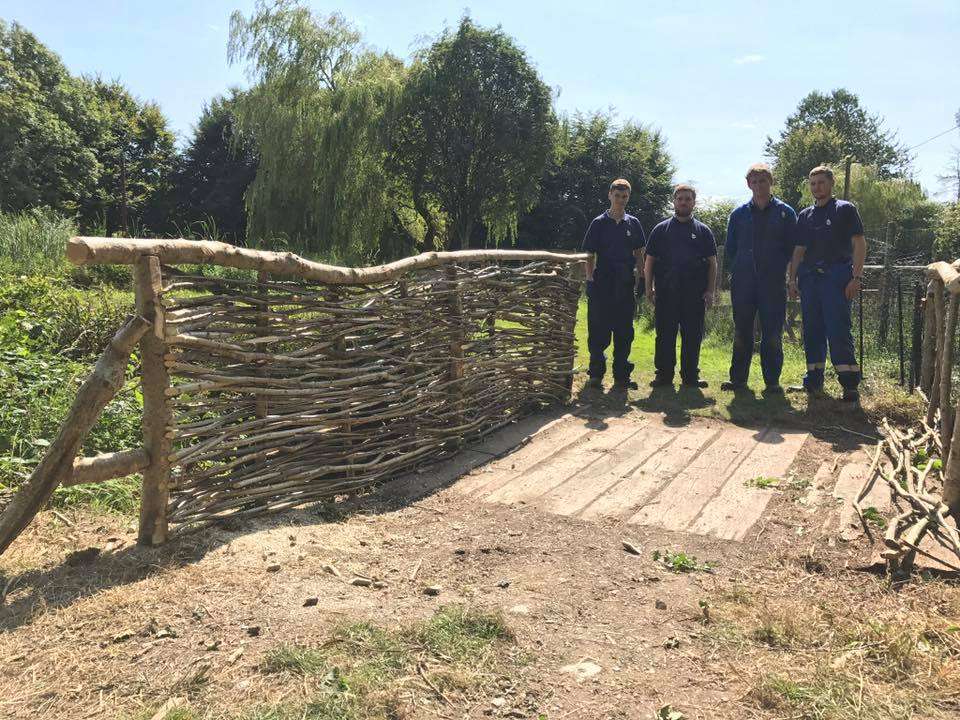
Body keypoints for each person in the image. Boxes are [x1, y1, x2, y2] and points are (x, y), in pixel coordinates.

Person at [787, 165, 867, 402]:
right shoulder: (805, 215)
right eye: (813, 183)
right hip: (810, 279)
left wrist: (856, 277)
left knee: (838, 330)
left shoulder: (845, 209)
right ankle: (813, 381)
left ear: (831, 184)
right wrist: (792, 279)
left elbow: (859, 244)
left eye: (821, 182)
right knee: (811, 330)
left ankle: (849, 385)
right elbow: (799, 250)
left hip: (837, 277)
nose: (817, 187)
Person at [720, 163, 798, 394]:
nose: (758, 185)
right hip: (743, 283)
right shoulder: (738, 214)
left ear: (771, 182)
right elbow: (731, 248)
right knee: (742, 332)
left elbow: (793, 249)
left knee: (772, 334)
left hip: (773, 283)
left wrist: (789, 277)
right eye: (754, 181)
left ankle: (772, 382)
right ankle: (738, 380)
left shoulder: (785, 213)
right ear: (748, 184)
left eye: (762, 180)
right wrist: (739, 269)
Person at [644, 184, 717, 388]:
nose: (683, 202)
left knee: (692, 336)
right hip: (666, 292)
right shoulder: (661, 230)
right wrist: (649, 288)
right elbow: (649, 261)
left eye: (688, 199)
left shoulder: (703, 231)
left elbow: (713, 263)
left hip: (694, 294)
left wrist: (710, 291)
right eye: (680, 199)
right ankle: (663, 375)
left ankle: (690, 376)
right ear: (674, 201)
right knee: (664, 336)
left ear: (694, 203)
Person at [582, 178, 646, 390]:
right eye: (617, 195)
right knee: (598, 329)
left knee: (624, 331)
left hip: (625, 283)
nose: (620, 200)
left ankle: (621, 376)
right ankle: (596, 374)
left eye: (624, 196)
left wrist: (642, 278)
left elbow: (639, 253)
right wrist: (590, 279)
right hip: (602, 282)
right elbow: (589, 254)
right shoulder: (598, 223)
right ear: (610, 195)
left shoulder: (633, 224)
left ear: (628, 197)